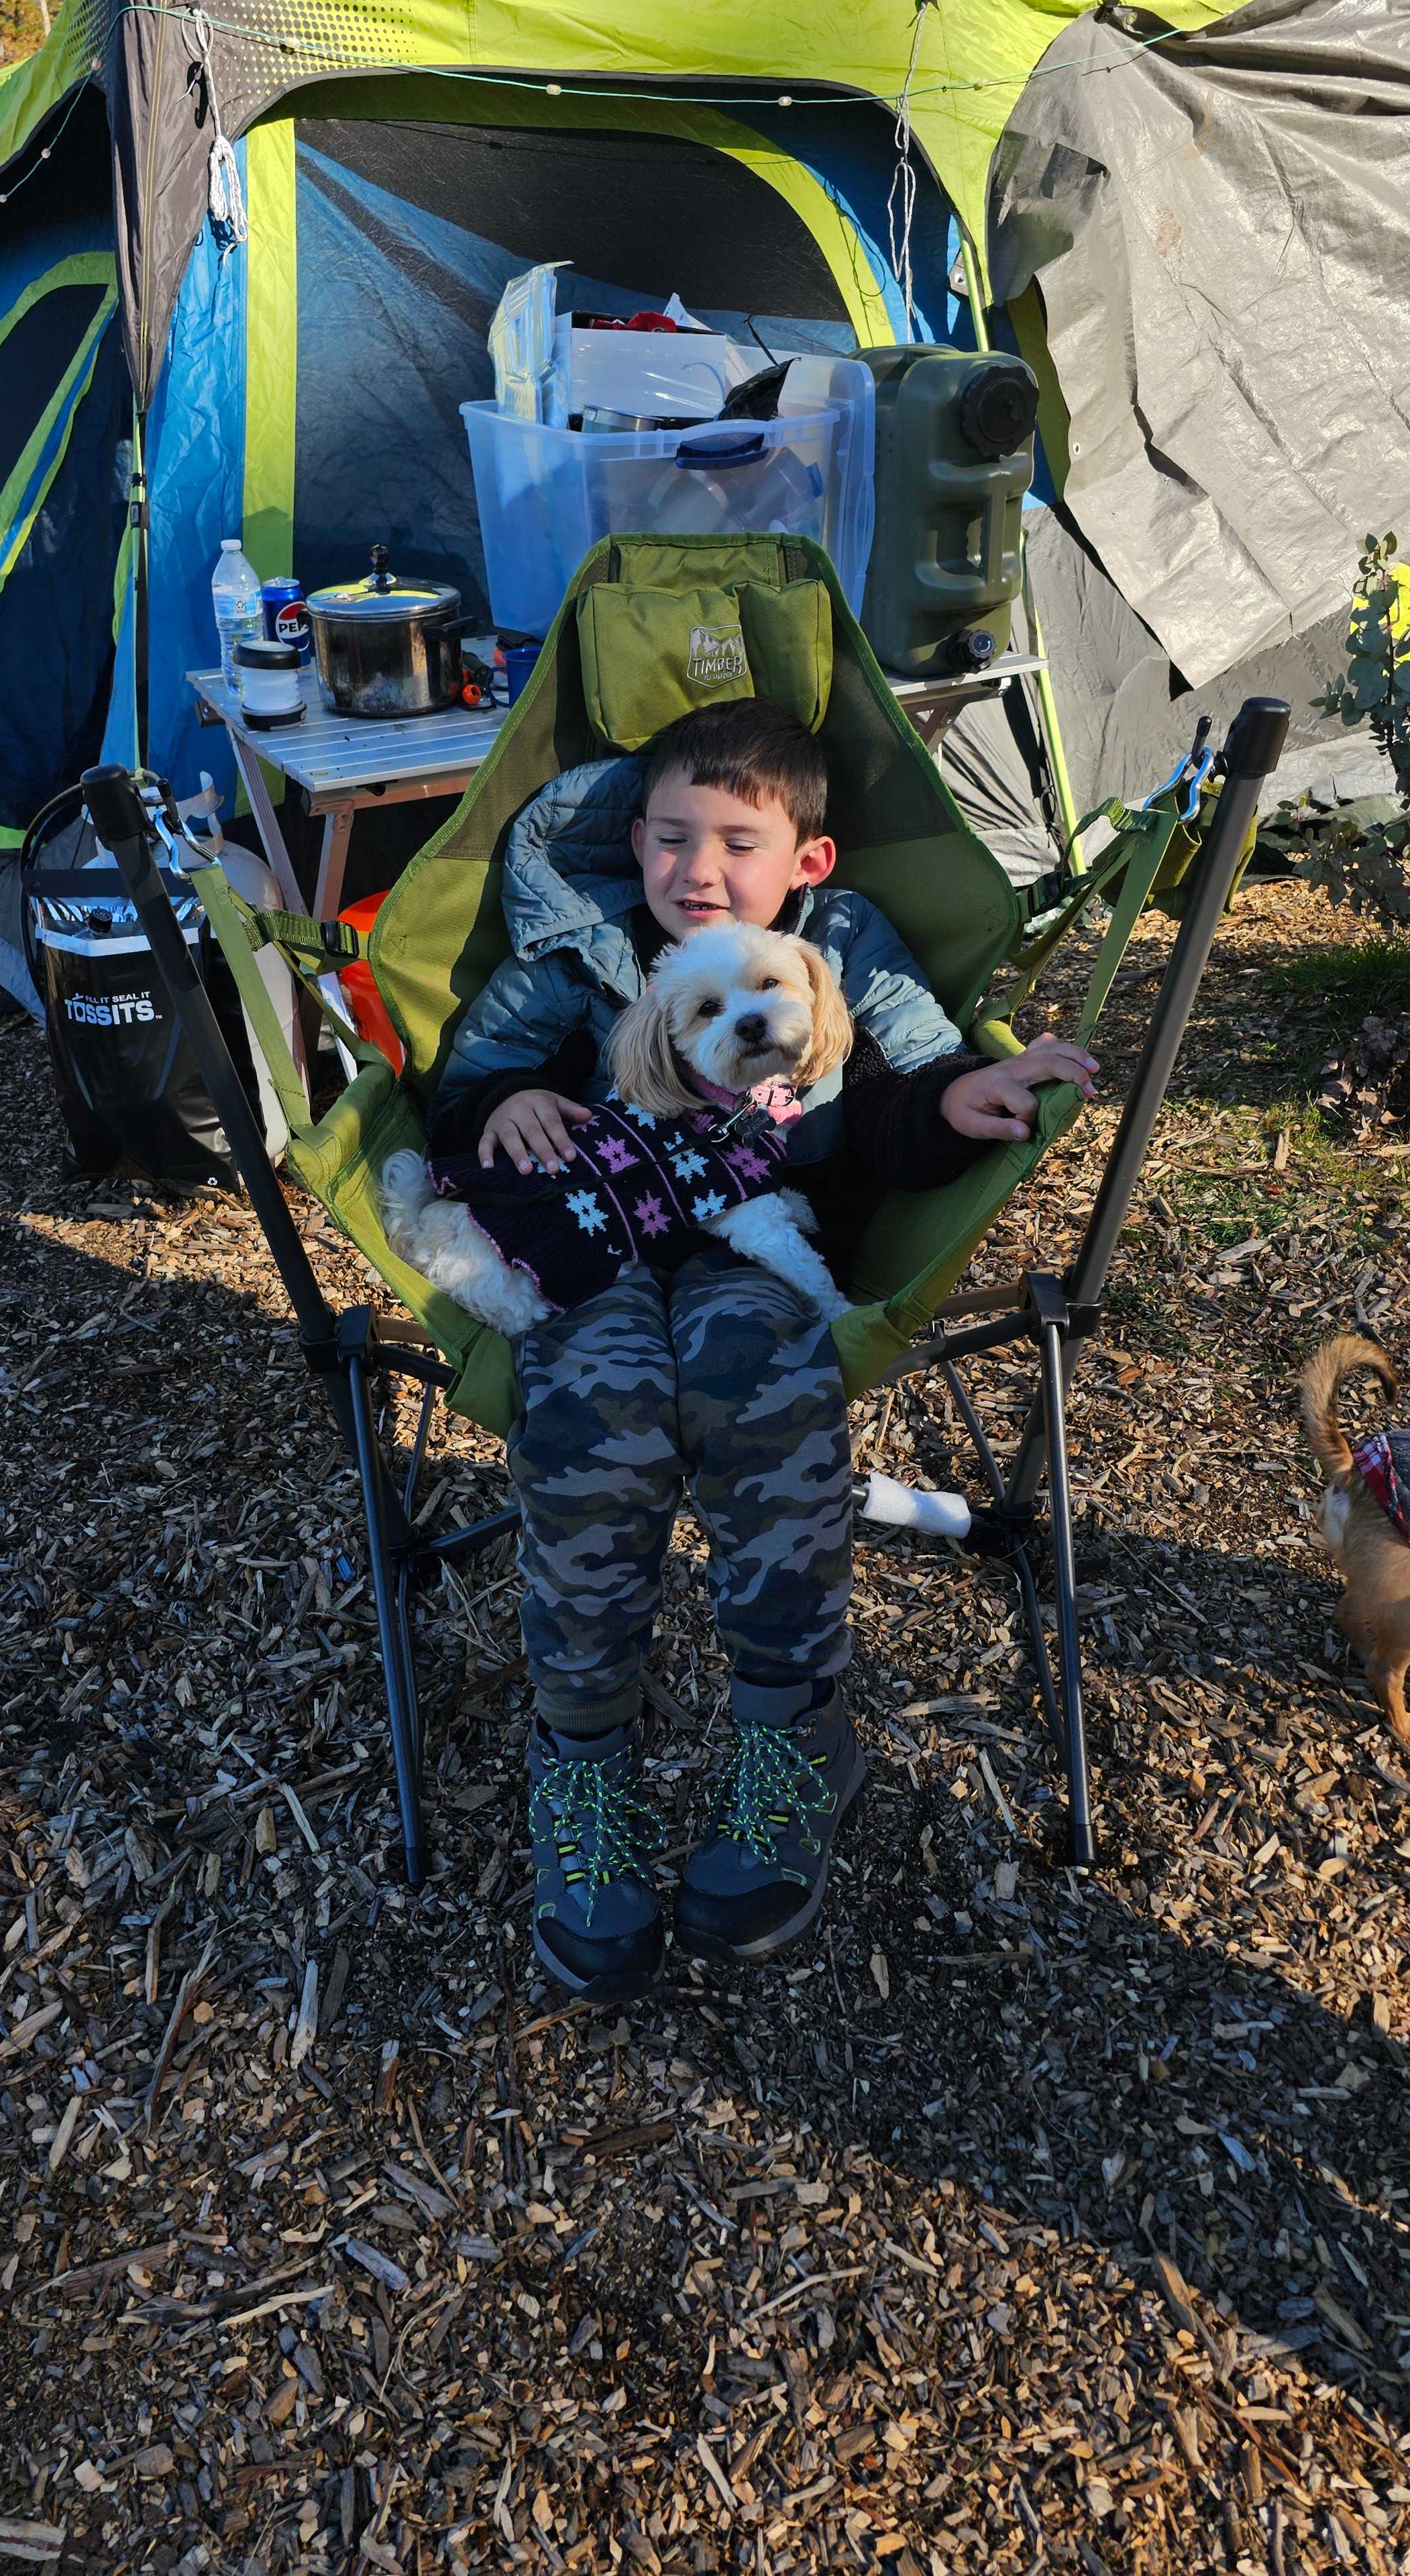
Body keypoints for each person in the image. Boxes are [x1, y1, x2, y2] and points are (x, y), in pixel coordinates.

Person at [427, 698, 1095, 1999]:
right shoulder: (581, 943)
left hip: (765, 1250)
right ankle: (584, 1758)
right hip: (596, 1242)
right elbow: (469, 1071)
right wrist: (500, 1097)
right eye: (672, 837)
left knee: (762, 1378)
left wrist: (957, 1099)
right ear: (635, 842)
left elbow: (904, 1088)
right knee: (594, 1405)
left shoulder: (839, 946)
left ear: (806, 863)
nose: (700, 869)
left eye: (739, 840)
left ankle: (794, 1733)